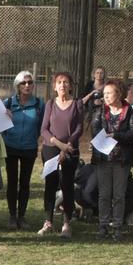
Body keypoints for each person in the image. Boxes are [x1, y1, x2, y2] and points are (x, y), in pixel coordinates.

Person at [84, 78, 133, 242]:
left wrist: (116, 136)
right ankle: (103, 225)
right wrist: (104, 137)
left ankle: (117, 226)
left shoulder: (130, 112)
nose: (106, 96)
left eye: (109, 93)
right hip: (103, 158)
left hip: (121, 160)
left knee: (119, 195)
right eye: (104, 93)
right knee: (104, 194)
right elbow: (95, 130)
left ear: (119, 93)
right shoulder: (100, 111)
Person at [38, 71, 83, 237]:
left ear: (70, 85)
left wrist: (67, 146)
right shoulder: (50, 104)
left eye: (66, 82)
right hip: (51, 148)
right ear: (54, 86)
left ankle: (66, 224)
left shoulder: (77, 103)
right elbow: (44, 129)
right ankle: (48, 222)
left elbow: (79, 128)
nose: (63, 85)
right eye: (59, 82)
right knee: (50, 184)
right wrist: (58, 144)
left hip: (71, 149)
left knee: (67, 186)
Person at [1, 71, 43, 230]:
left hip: (29, 148)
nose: (27, 86)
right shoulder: (8, 103)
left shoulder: (39, 104)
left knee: (25, 183)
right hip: (11, 146)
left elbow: (42, 126)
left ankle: (22, 216)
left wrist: (34, 138)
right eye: (23, 83)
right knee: (12, 182)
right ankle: (12, 216)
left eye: (30, 82)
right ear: (17, 86)